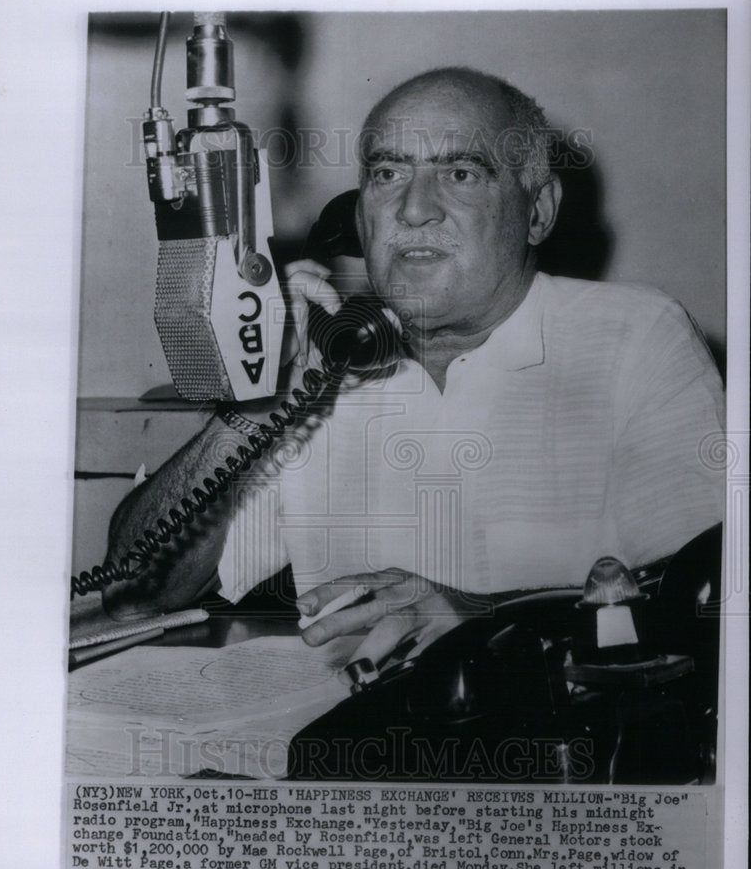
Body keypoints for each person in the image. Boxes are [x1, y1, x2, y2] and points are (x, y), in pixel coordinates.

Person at [102, 67, 724, 670]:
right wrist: (255, 401)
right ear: (358, 216)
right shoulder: (330, 363)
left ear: (537, 212)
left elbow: (703, 600)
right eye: (388, 172)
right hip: (346, 738)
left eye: (460, 172)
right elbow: (135, 593)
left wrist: (478, 617)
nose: (414, 208)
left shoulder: (636, 335)